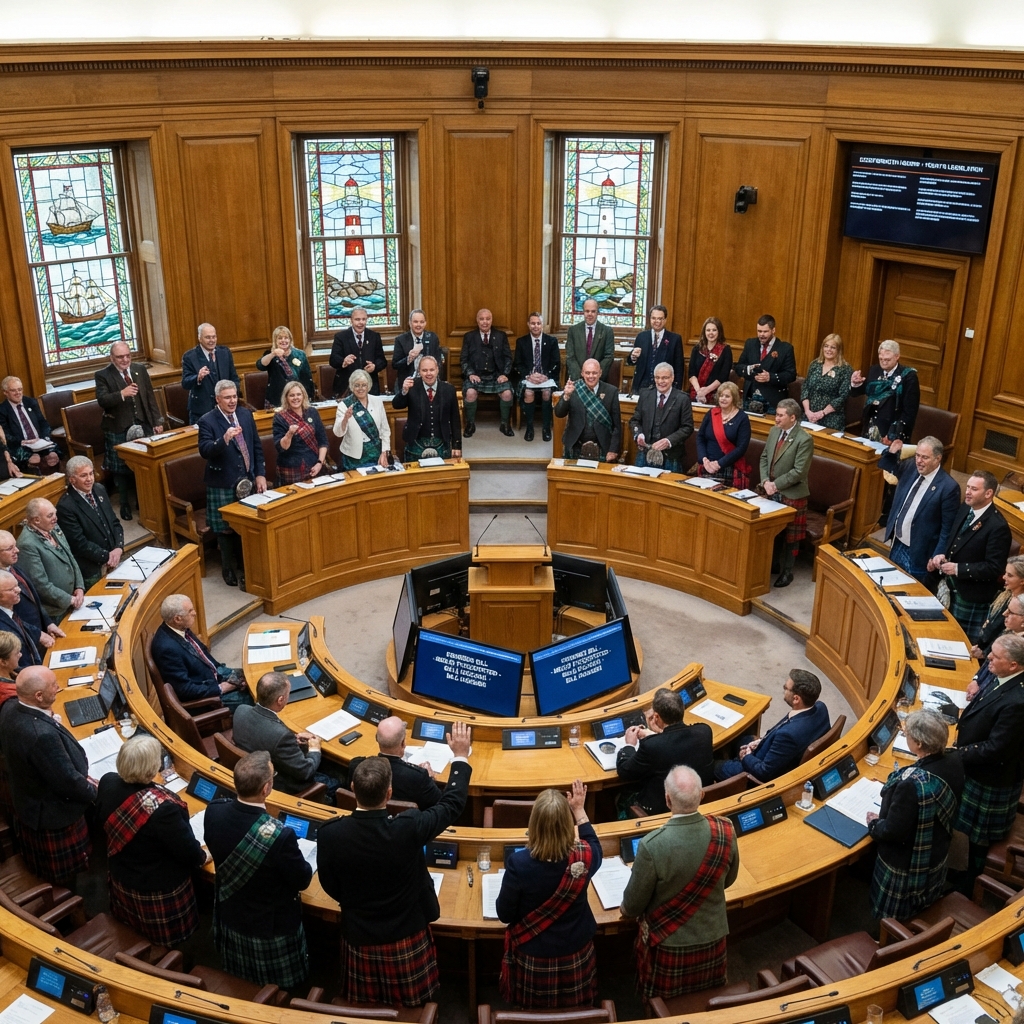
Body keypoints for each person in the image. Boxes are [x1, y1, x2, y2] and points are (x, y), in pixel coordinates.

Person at [317, 722, 473, 1006]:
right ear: (389, 794)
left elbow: (330, 885)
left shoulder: (330, 834)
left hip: (359, 934)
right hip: (406, 933)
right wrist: (460, 756)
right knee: (411, 1006)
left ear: (352, 787)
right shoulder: (408, 828)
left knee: (365, 1005)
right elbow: (451, 805)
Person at [620, 766, 739, 1001]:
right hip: (713, 940)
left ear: (667, 799)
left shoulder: (652, 845)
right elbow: (730, 879)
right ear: (702, 795)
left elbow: (631, 907)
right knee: (709, 997)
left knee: (663, 1007)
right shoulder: (726, 829)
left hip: (668, 946)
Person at [205, 750, 312, 990]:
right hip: (270, 929)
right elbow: (302, 879)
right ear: (266, 788)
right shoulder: (280, 835)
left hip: (232, 916)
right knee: (282, 989)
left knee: (240, 979)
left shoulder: (214, 810)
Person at [495, 781, 602, 1009]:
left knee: (535, 1014)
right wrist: (579, 809)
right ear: (567, 824)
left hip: (534, 956)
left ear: (533, 824)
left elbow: (504, 914)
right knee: (575, 1013)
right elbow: (594, 843)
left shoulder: (519, 863)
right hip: (577, 951)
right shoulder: (585, 856)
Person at [96, 734, 207, 946]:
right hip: (157, 889)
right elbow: (187, 852)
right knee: (169, 944)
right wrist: (202, 856)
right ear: (151, 768)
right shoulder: (164, 811)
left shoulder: (108, 781)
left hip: (123, 877)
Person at [0, 667, 95, 883]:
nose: (58, 688)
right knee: (66, 879)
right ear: (38, 696)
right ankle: (72, 902)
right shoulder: (41, 736)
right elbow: (68, 781)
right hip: (52, 816)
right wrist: (93, 791)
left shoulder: (11, 707)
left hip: (27, 801)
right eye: (53, 686)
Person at [866, 710, 963, 919]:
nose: (905, 735)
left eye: (907, 734)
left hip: (906, 868)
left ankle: (889, 937)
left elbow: (893, 831)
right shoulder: (954, 759)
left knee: (894, 920)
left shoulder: (910, 785)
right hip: (935, 855)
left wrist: (874, 824)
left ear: (918, 744)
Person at [953, 633, 1024, 885]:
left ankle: (972, 881)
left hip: (990, 778)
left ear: (1014, 665)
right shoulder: (1003, 676)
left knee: (978, 837)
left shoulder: (1018, 701)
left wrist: (957, 754)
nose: (988, 659)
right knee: (969, 833)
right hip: (977, 767)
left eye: (995, 656)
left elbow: (996, 748)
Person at [197, 379, 266, 588]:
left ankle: (245, 568)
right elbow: (204, 450)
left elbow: (256, 446)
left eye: (235, 396)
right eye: (227, 397)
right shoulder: (207, 421)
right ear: (218, 399)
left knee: (245, 526)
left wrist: (260, 474)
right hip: (223, 482)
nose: (232, 400)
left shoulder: (245, 414)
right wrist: (224, 439)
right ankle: (228, 568)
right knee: (225, 529)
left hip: (247, 480)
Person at [930, 470, 1013, 643]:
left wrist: (958, 569)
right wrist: (941, 555)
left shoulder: (998, 527)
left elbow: (994, 567)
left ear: (988, 493)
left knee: (960, 642)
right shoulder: (966, 507)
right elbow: (954, 539)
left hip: (970, 596)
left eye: (974, 489)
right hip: (950, 587)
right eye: (967, 487)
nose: (967, 492)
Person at [232, 671, 340, 802]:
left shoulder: (241, 710)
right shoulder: (280, 736)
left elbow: (264, 734)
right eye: (288, 693)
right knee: (337, 781)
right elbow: (306, 771)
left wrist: (293, 738)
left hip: (254, 770)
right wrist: (315, 749)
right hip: (282, 784)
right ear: (280, 700)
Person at [714, 670, 830, 782]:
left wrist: (747, 757)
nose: (784, 688)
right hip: (776, 750)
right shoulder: (821, 708)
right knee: (741, 739)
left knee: (714, 766)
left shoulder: (788, 735)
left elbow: (764, 772)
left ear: (796, 699)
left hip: (755, 771)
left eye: (786, 688)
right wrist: (760, 741)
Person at [615, 688, 714, 816]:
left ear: (656, 717)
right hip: (698, 801)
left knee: (618, 795)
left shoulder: (652, 746)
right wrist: (656, 734)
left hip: (663, 810)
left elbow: (624, 771)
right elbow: (676, 739)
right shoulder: (704, 731)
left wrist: (629, 745)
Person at [95, 342, 165, 520]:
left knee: (144, 465)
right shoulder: (103, 375)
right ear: (112, 358)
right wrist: (122, 393)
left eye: (128, 355)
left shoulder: (139, 370)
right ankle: (124, 503)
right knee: (122, 469)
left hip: (142, 425)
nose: (125, 359)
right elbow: (102, 400)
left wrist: (156, 421)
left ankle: (143, 501)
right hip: (118, 427)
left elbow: (149, 396)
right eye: (120, 357)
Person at [879, 437, 960, 587]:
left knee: (911, 591)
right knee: (891, 586)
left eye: (925, 457)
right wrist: (891, 452)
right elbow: (886, 465)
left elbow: (947, 528)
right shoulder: (911, 467)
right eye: (917, 455)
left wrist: (937, 554)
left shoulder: (949, 487)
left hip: (920, 552)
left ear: (938, 459)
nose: (919, 461)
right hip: (897, 542)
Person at [151, 594, 251, 709]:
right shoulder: (167, 649)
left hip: (213, 675)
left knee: (252, 676)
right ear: (177, 619)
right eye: (190, 611)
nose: (194, 613)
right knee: (258, 698)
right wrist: (224, 687)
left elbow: (204, 655)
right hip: (208, 697)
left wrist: (229, 675)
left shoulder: (180, 628)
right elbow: (185, 690)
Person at [760, 398, 813, 588]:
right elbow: (765, 457)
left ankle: (787, 572)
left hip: (792, 493)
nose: (776, 419)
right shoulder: (774, 431)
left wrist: (776, 485)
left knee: (792, 536)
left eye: (781, 415)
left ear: (793, 418)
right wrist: (766, 481)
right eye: (776, 414)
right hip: (771, 488)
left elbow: (799, 471)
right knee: (773, 530)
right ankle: (773, 565)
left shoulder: (804, 439)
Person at [56, 456, 124, 588]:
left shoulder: (99, 489)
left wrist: (118, 547)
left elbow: (114, 522)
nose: (89, 479)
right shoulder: (65, 506)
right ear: (72, 480)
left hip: (113, 558)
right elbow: (79, 544)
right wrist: (108, 556)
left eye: (91, 473)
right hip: (92, 569)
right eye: (83, 475)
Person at [347, 716, 441, 810]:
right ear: (403, 743)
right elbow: (442, 805)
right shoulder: (419, 777)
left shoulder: (356, 766)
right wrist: (431, 778)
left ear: (377, 739)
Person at [15, 498, 85, 621]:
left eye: (55, 513)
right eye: (50, 515)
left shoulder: (53, 527)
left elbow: (70, 556)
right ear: (36, 520)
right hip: (54, 611)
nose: (56, 518)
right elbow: (40, 583)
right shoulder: (27, 544)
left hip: (73, 599)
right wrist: (69, 599)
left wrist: (79, 586)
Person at [0, 531, 63, 654]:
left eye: (15, 545)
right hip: (22, 645)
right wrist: (36, 634)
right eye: (10, 548)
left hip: (40, 634)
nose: (17, 550)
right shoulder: (2, 583)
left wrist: (48, 623)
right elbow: (8, 618)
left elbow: (34, 599)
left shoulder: (13, 567)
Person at [391, 356, 462, 462]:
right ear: (419, 371)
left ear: (437, 369)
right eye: (424, 370)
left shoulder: (449, 389)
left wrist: (457, 445)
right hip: (416, 441)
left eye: (432, 370)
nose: (429, 373)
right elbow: (396, 405)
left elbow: (455, 419)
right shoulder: (411, 387)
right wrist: (404, 391)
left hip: (442, 441)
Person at [850, 339, 920, 442]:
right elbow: (860, 392)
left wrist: (893, 435)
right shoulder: (874, 370)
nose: (883, 362)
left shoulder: (908, 377)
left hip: (892, 432)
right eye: (881, 359)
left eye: (887, 359)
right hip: (870, 428)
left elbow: (910, 412)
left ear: (897, 356)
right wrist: (856, 384)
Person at [629, 363, 693, 473]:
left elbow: (687, 427)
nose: (660, 381)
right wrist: (638, 434)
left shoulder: (682, 399)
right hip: (645, 453)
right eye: (657, 378)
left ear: (672, 378)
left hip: (671, 456)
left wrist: (669, 441)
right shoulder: (645, 395)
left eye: (665, 378)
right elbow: (635, 420)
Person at [555, 358, 621, 462]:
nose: (591, 376)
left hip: (602, 446)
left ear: (600, 373)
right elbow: (559, 413)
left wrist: (613, 450)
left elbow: (617, 426)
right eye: (587, 373)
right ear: (582, 373)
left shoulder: (611, 391)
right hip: (575, 444)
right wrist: (566, 396)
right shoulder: (573, 388)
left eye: (594, 373)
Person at [461, 308, 514, 437]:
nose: (485, 322)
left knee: (507, 394)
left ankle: (504, 424)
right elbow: (464, 359)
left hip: (496, 375)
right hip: (476, 375)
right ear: (477, 320)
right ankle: (470, 424)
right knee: (470, 393)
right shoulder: (469, 337)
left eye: (488, 319)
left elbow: (508, 357)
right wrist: (470, 374)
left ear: (492, 320)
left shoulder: (501, 336)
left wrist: (505, 374)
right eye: (482, 319)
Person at [513, 312, 561, 442]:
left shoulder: (551, 341)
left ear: (542, 325)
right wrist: (529, 376)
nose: (535, 326)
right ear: (528, 325)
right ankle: (530, 428)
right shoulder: (521, 342)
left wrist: (545, 376)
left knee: (547, 392)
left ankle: (546, 428)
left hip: (546, 378)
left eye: (538, 323)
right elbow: (517, 364)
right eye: (533, 323)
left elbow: (556, 363)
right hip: (529, 378)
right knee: (528, 393)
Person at [735, 314, 796, 414]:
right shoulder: (750, 344)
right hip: (750, 397)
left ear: (773, 330)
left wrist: (770, 377)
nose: (761, 335)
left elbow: (791, 375)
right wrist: (749, 369)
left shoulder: (785, 348)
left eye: (765, 331)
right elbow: (738, 367)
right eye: (759, 331)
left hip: (772, 400)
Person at [181, 322, 240, 424]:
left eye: (214, 337)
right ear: (200, 338)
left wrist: (232, 396)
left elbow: (234, 378)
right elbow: (185, 383)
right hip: (202, 411)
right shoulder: (190, 356)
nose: (212, 340)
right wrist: (197, 377)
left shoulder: (224, 352)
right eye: (208, 337)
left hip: (225, 409)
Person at [333, 369, 391, 470]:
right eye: (357, 385)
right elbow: (338, 433)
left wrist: (384, 452)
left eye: (364, 385)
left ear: (369, 386)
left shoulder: (377, 401)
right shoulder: (344, 405)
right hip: (353, 458)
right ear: (351, 386)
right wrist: (345, 419)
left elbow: (385, 430)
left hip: (376, 453)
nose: (360, 388)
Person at [696, 381, 752, 487]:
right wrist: (704, 459)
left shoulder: (742, 418)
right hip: (706, 466)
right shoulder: (711, 413)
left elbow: (741, 448)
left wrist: (719, 464)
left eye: (727, 396)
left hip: (729, 468)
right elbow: (700, 438)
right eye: (721, 395)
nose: (723, 399)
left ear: (734, 398)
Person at [272, 381, 328, 485]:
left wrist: (319, 463)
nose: (295, 398)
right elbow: (281, 448)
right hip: (291, 470)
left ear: (303, 395)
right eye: (291, 395)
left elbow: (323, 441)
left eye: (298, 394)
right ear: (286, 398)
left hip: (315, 466)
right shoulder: (279, 417)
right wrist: (289, 434)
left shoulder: (312, 412)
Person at [0, 377, 60, 474]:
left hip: (40, 442)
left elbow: (43, 423)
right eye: (13, 390)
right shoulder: (2, 410)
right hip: (21, 445)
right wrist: (23, 442)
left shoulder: (31, 402)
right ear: (5, 392)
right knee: (34, 459)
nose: (18, 393)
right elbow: (5, 435)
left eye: (20, 389)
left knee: (53, 456)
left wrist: (44, 438)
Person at [973, 557, 1024, 660]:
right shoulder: (1004, 595)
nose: (1004, 577)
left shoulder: (1019, 606)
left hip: (998, 657)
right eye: (1005, 573)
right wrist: (978, 646)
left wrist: (985, 653)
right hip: (982, 649)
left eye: (1009, 575)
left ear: (1022, 581)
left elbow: (1006, 634)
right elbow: (989, 624)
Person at [968, 609, 1024, 702]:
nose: (1004, 613)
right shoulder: (1007, 632)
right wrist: (976, 680)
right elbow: (988, 663)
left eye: (1011, 612)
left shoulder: (1017, 648)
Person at [330, 307, 387, 398]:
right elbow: (333, 360)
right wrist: (343, 362)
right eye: (357, 319)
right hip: (347, 386)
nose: (361, 322)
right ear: (351, 321)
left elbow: (382, 361)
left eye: (363, 319)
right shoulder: (341, 337)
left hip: (370, 386)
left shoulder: (374, 336)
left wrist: (374, 366)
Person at [801, 334, 853, 430]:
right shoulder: (815, 364)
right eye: (826, 346)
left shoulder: (845, 369)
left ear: (839, 350)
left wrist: (822, 413)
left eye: (833, 347)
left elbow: (843, 397)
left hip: (831, 419)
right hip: (809, 416)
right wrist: (808, 411)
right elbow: (805, 389)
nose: (828, 350)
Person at [628, 306, 684, 394]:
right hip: (642, 387)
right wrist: (633, 356)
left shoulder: (674, 339)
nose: (656, 321)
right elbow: (632, 361)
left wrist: (676, 390)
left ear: (665, 320)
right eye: (654, 318)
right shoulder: (641, 336)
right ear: (650, 319)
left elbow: (679, 368)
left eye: (660, 318)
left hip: (664, 387)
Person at [257, 326, 315, 407]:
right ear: (275, 340)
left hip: (297, 397)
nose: (283, 340)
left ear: (290, 340)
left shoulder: (300, 354)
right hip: (277, 398)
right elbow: (260, 365)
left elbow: (307, 377)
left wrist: (308, 396)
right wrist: (273, 354)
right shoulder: (269, 354)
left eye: (286, 338)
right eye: (280, 338)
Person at [392, 309, 445, 392]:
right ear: (410, 323)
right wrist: (409, 358)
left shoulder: (433, 338)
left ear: (425, 323)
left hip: (429, 380)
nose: (418, 325)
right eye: (415, 322)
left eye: (421, 322)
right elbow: (395, 365)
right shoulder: (400, 340)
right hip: (408, 381)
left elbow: (438, 361)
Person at [565, 298, 614, 382]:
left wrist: (594, 376)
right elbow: (570, 357)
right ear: (583, 312)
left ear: (597, 312)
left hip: (599, 381)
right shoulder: (573, 330)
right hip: (578, 379)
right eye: (587, 311)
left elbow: (608, 357)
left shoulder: (607, 331)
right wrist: (582, 376)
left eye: (593, 311)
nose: (590, 314)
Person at [0, 571, 41, 668]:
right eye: (11, 589)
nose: (18, 590)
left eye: (17, 585)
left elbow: (17, 623)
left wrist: (40, 634)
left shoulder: (10, 609)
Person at [687, 317, 732, 405]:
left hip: (716, 395)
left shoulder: (726, 350)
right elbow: (691, 374)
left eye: (714, 330)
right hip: (695, 392)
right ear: (704, 332)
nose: (711, 333)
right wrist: (699, 392)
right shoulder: (697, 349)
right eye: (708, 330)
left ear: (719, 332)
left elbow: (723, 376)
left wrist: (706, 390)